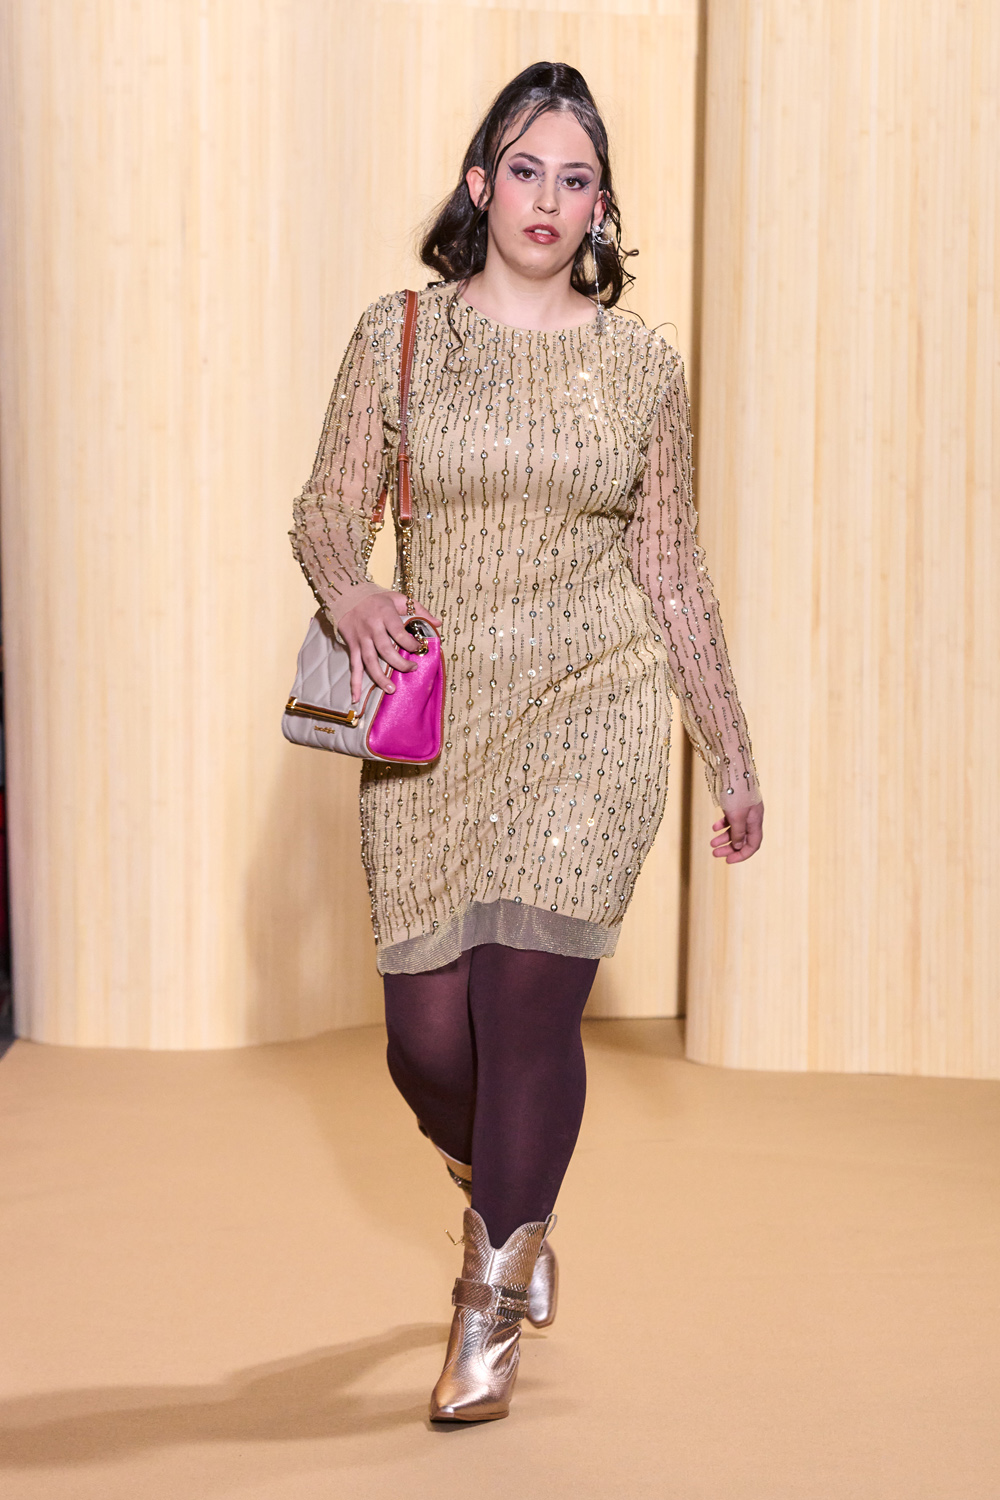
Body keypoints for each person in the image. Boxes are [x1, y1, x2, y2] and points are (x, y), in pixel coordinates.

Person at [290, 60, 763, 1423]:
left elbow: (671, 568)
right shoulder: (399, 336)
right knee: (427, 1047)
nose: (548, 198)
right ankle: (510, 1194)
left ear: (600, 208)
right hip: (433, 724)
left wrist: (730, 750)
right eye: (525, 169)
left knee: (526, 1006)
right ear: (480, 184)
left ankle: (488, 1306)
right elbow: (325, 508)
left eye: (577, 179)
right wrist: (352, 589)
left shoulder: (641, 366)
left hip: (592, 712)